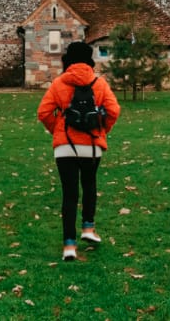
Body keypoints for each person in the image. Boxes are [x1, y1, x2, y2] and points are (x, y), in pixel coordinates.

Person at [37, 42, 121, 261]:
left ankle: (69, 246)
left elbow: (43, 112)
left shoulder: (59, 83)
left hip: (65, 147)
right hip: (92, 146)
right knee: (90, 185)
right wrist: (102, 130)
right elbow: (113, 110)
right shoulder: (99, 84)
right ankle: (88, 228)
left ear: (68, 60)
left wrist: (58, 129)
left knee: (69, 195)